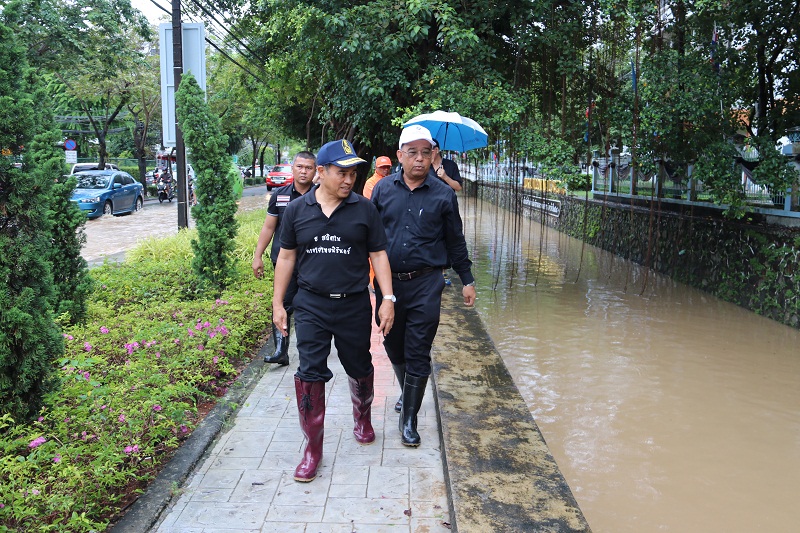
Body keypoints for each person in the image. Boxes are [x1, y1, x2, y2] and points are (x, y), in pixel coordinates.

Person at [272, 139, 396, 483]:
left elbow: (379, 255)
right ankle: (313, 448)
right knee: (309, 371)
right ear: (322, 172)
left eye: (353, 173)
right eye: (342, 172)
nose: (349, 180)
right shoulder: (297, 210)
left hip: (354, 302)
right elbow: (286, 256)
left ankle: (363, 415)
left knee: (358, 365)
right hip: (310, 303)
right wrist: (278, 304)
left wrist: (388, 299)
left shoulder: (364, 209)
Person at [370, 125, 476, 447]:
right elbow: (370, 238)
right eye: (412, 152)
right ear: (400, 155)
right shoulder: (383, 190)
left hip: (427, 283)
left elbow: (455, 241)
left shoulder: (443, 195)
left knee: (418, 349)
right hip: (388, 286)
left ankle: (410, 419)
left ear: (433, 156)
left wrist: (467, 279)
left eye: (425, 152)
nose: (419, 159)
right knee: (392, 343)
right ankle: (407, 392)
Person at [253, 151, 317, 365]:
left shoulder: (321, 195)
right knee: (282, 303)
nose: (304, 171)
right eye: (300, 166)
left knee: (312, 304)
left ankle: (315, 346)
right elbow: (269, 226)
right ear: (293, 168)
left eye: (308, 167)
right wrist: (257, 255)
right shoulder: (279, 195)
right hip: (283, 260)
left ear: (315, 170)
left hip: (312, 260)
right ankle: (281, 350)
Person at [429, 139, 464, 285]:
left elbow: (458, 187)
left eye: (428, 150)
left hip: (448, 208)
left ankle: (443, 271)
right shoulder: (424, 167)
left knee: (449, 236)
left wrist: (444, 177)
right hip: (430, 209)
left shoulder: (450, 165)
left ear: (436, 150)